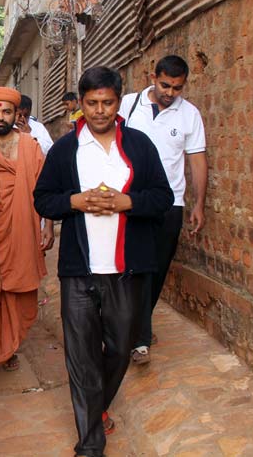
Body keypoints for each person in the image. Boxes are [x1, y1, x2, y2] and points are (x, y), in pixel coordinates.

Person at [34, 66, 173, 457]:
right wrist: (75, 201)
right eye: (92, 103)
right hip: (79, 270)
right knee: (81, 356)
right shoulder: (66, 149)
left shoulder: (140, 146)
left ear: (118, 102)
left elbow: (162, 198)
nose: (100, 111)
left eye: (107, 103)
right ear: (81, 103)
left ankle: (98, 405)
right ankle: (90, 443)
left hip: (127, 270)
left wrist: (127, 201)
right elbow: (42, 199)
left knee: (120, 346)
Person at [118, 55, 207, 365]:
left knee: (156, 270)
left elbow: (197, 160)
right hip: (129, 201)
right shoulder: (129, 105)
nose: (170, 93)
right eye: (165, 85)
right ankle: (139, 337)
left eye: (177, 88)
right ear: (152, 77)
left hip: (170, 204)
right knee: (132, 268)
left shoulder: (189, 114)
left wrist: (199, 203)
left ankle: (139, 326)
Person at [0, 86, 54, 381]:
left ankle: (7, 348)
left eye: (6, 112)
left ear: (17, 114)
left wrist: (48, 226)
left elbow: (45, 190)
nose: (0, 117)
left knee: (19, 296)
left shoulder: (31, 147)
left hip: (23, 231)